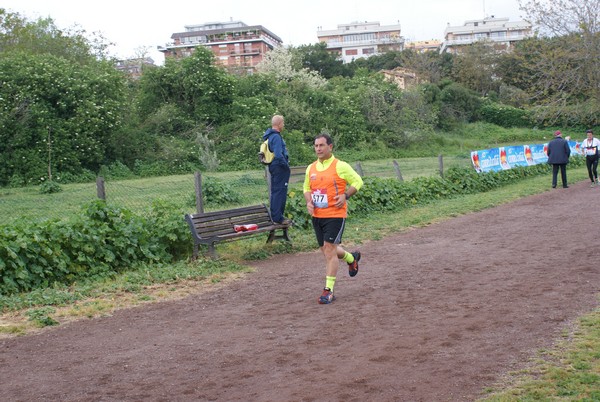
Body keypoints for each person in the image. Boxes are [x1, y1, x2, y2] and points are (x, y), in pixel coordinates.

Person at [303, 134, 364, 304]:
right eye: (316, 146)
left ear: (330, 147)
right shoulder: (311, 168)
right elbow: (306, 187)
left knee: (329, 249)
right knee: (326, 250)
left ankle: (328, 290)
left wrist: (345, 195)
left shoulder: (341, 166)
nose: (318, 149)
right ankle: (351, 258)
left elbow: (358, 181)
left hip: (335, 215)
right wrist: (309, 201)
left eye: (322, 145)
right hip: (318, 216)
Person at [262, 115, 291, 224]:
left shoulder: (270, 136)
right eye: (283, 123)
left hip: (273, 166)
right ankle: (278, 218)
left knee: (275, 191)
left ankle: (275, 216)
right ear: (279, 124)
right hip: (279, 167)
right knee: (280, 192)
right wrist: (285, 165)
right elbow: (278, 154)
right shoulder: (277, 137)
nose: (283, 125)